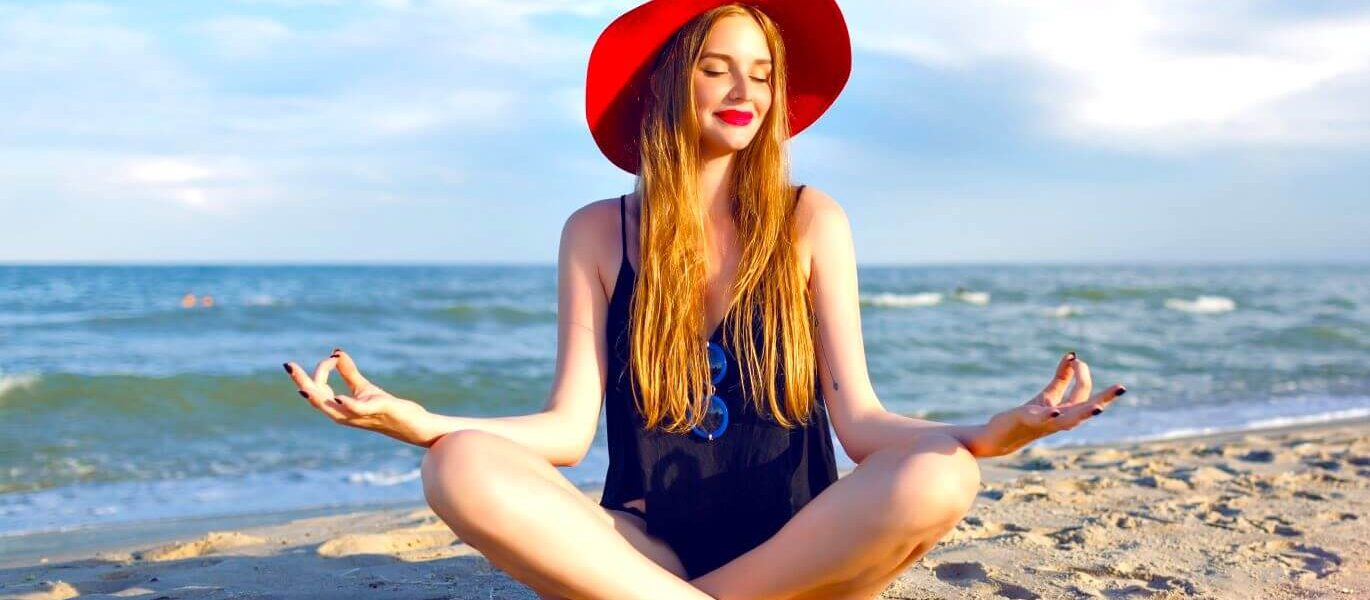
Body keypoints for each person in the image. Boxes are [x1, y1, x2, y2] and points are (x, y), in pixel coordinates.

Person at [282, 1, 1125, 598]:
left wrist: (993, 433)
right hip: (650, 546)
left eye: (761, 74)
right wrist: (423, 421)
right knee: (457, 467)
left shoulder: (809, 219)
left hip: (802, 544)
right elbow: (567, 434)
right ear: (665, 85)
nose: (744, 91)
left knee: (942, 480)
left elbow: (861, 423)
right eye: (717, 68)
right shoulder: (597, 232)